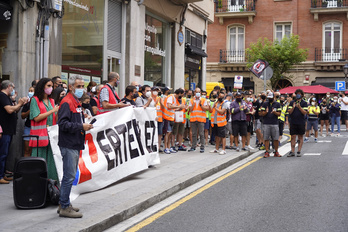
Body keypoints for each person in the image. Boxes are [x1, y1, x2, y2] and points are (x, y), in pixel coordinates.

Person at [57, 75, 93, 218]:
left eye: (82, 86)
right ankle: (65, 207)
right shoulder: (67, 102)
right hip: (69, 143)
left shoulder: (74, 101)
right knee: (69, 176)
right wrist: (81, 126)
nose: (81, 89)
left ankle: (64, 203)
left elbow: (72, 120)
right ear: (70, 87)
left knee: (69, 176)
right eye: (78, 86)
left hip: (73, 142)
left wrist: (83, 122)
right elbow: (63, 124)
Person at [29, 78, 59, 181]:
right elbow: (36, 117)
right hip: (39, 137)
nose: (51, 88)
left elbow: (55, 118)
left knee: (51, 163)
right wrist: (52, 111)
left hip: (51, 136)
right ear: (42, 87)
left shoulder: (51, 100)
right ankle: (36, 184)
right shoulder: (35, 100)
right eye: (48, 86)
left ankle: (52, 185)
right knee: (38, 163)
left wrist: (58, 112)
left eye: (52, 86)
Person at [0, 81, 27, 184]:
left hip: (9, 130)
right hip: (5, 130)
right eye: (13, 87)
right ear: (8, 87)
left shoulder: (7, 97)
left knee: (6, 153)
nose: (14, 90)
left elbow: (15, 110)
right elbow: (9, 110)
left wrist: (17, 103)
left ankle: (3, 174)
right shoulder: (2, 96)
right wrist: (19, 104)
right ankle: (0, 176)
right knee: (3, 153)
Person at [163, 88, 185, 154]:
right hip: (167, 117)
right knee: (168, 133)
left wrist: (179, 108)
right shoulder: (170, 97)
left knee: (170, 133)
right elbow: (169, 106)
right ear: (179, 93)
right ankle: (166, 147)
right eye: (182, 94)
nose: (181, 96)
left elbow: (174, 108)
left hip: (171, 117)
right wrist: (178, 106)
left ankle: (169, 147)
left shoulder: (175, 99)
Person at [259, 92, 281, 158]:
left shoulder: (277, 104)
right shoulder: (265, 104)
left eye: (271, 98)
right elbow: (261, 113)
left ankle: (276, 151)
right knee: (266, 138)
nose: (270, 99)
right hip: (266, 123)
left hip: (274, 123)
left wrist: (274, 112)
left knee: (276, 138)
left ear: (273, 97)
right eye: (269, 98)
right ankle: (266, 151)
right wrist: (265, 112)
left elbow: (279, 114)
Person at [287, 89, 308, 157]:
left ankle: (299, 151)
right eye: (297, 93)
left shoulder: (304, 103)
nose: (298, 95)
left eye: (299, 93)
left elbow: (305, 112)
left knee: (300, 136)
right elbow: (289, 112)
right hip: (293, 121)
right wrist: (293, 107)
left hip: (301, 122)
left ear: (301, 95)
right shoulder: (292, 102)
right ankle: (292, 151)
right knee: (293, 136)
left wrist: (299, 107)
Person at [187, 88, 208, 153]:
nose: (197, 93)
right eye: (196, 92)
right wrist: (194, 103)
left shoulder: (203, 100)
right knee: (194, 133)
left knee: (201, 133)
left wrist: (200, 105)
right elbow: (190, 110)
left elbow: (206, 108)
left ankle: (202, 147)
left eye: (199, 92)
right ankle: (193, 146)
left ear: (200, 93)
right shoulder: (191, 100)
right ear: (194, 93)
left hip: (201, 119)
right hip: (193, 119)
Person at [21, 86, 35, 157]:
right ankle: (26, 166)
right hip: (28, 127)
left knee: (35, 149)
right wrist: (29, 111)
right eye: (29, 91)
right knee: (27, 149)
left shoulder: (39, 102)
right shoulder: (27, 104)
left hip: (36, 128)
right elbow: (22, 116)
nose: (30, 92)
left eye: (32, 91)